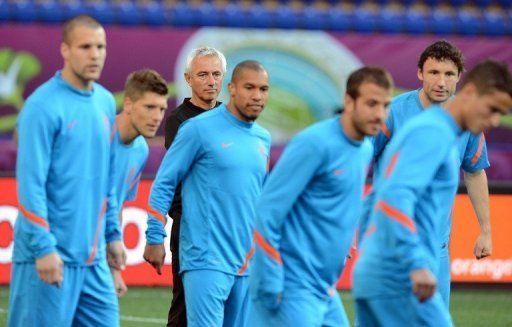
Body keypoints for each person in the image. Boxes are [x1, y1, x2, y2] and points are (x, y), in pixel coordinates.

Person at [353, 60, 512, 327]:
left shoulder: (438, 129)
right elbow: (394, 198)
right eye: (492, 109)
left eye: (502, 113)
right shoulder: (432, 133)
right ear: (470, 93)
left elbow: (380, 195)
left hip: (388, 266)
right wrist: (415, 264)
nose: (495, 120)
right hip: (400, 272)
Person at [249, 66, 393, 326]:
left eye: (385, 105)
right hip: (291, 285)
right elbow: (267, 211)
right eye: (371, 104)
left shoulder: (364, 149)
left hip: (324, 288)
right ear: (349, 101)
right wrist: (270, 279)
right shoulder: (315, 143)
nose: (379, 114)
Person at [8, 15, 125, 326]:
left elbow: (107, 178)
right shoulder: (42, 106)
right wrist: (44, 248)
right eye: (85, 46)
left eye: (100, 46)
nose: (95, 54)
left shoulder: (104, 102)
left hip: (93, 260)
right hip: (48, 256)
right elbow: (30, 184)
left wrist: (113, 233)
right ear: (65, 50)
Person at [144, 60, 271, 326]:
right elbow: (165, 182)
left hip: (246, 262)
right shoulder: (197, 129)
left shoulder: (262, 138)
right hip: (205, 258)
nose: (257, 96)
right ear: (232, 89)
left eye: (263, 89)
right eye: (249, 87)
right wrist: (155, 235)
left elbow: (260, 199)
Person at [162, 46, 226, 327]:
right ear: (188, 79)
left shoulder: (234, 119)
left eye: (216, 74)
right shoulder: (179, 121)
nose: (211, 81)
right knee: (185, 308)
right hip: (192, 232)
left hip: (230, 230)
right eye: (203, 74)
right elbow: (174, 183)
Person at [110, 69, 169, 297]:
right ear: (128, 104)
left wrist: (114, 269)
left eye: (162, 109)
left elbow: (117, 206)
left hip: (97, 255)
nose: (157, 117)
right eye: (149, 107)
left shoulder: (141, 149)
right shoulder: (97, 137)